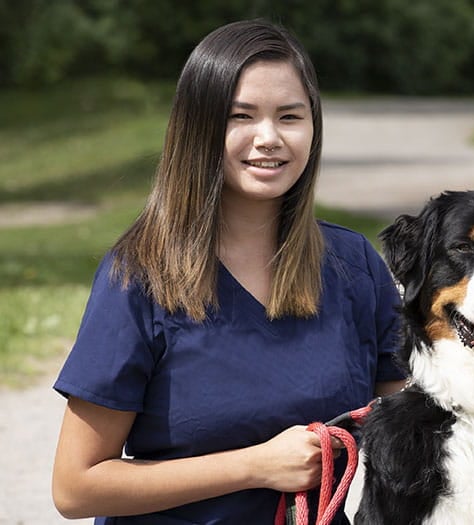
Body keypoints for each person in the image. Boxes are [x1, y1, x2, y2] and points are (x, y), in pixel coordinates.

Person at [51, 19, 406, 525]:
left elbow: (415, 425)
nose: (269, 138)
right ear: (199, 126)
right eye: (241, 116)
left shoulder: (354, 267)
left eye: (289, 116)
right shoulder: (138, 277)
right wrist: (254, 467)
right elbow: (75, 486)